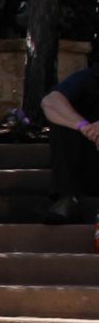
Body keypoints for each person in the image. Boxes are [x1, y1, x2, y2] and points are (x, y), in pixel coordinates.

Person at [40, 67, 99, 224]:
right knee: (63, 114)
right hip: (89, 167)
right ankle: (67, 198)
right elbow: (49, 102)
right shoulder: (90, 77)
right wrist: (84, 127)